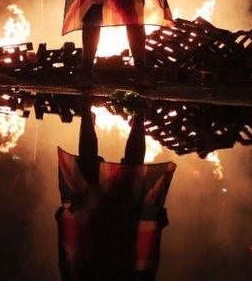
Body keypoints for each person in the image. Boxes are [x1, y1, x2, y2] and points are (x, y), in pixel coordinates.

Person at [56, 96, 177, 280]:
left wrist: (62, 224)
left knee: (99, 170)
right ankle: (132, 112)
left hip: (101, 236)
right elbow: (147, 268)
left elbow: (66, 262)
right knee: (129, 173)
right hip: (120, 234)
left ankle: (97, 109)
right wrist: (157, 230)